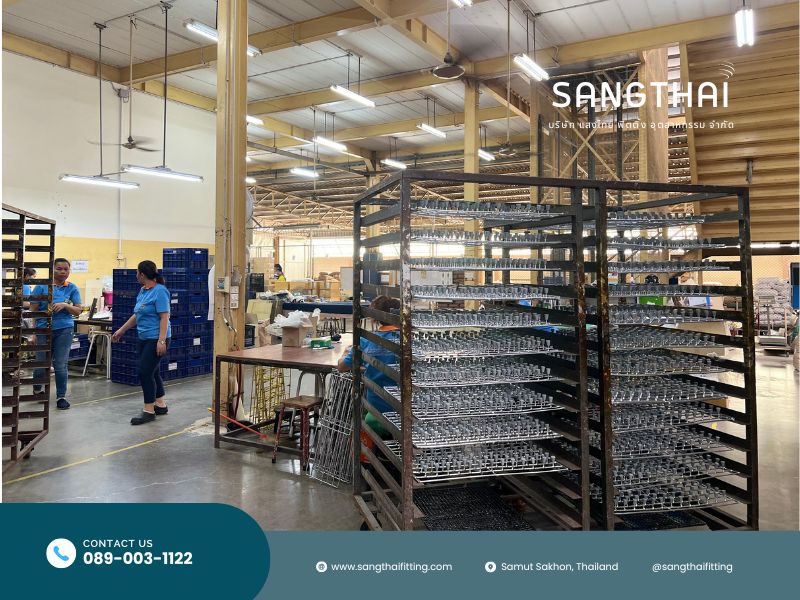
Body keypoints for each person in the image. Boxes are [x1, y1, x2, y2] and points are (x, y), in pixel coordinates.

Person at [112, 261, 172, 425]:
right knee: (153, 371)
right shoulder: (143, 290)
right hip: (144, 337)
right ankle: (161, 405)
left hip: (156, 338)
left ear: (142, 274)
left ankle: (149, 410)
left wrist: (161, 341)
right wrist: (121, 330)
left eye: (137, 273)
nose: (136, 275)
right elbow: (137, 314)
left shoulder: (160, 291)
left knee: (144, 372)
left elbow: (164, 317)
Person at [337, 295, 400, 439]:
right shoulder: (407, 341)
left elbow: (341, 367)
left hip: (377, 413)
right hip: (404, 411)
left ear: (375, 317)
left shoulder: (366, 341)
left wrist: (345, 353)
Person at [31, 259, 82, 410]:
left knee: (60, 364)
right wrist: (33, 333)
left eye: (66, 269)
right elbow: (33, 311)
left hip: (64, 329)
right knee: (41, 364)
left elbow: (78, 310)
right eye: (59, 268)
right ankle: (37, 389)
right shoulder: (41, 286)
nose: (63, 272)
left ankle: (61, 397)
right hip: (43, 329)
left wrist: (65, 305)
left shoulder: (72, 288)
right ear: (52, 269)